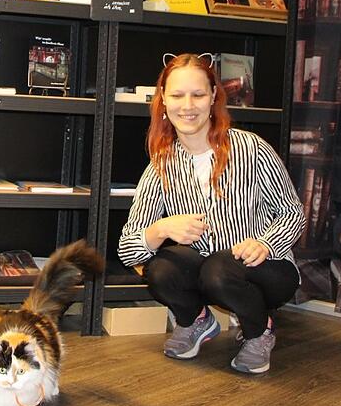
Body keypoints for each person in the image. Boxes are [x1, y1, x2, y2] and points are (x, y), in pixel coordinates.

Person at [118, 52, 304, 374]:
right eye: (177, 95)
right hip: (207, 271)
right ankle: (196, 321)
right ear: (163, 99)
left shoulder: (252, 148)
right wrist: (160, 229)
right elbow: (127, 248)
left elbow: (293, 211)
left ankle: (260, 330)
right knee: (159, 268)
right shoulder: (160, 166)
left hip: (265, 270)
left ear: (214, 96)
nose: (187, 106)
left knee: (218, 270)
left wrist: (265, 243)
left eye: (198, 94)